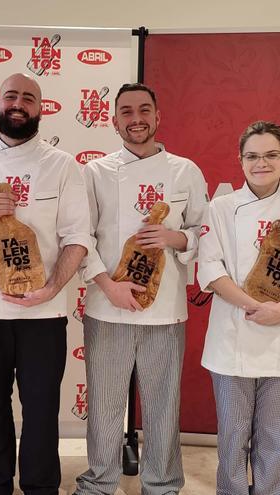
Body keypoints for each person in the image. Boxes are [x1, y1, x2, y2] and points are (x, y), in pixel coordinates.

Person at [0, 72, 92, 495]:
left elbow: (78, 238)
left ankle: (41, 487)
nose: (18, 104)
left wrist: (51, 289)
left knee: (41, 406)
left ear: (41, 109)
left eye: (29, 97)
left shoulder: (63, 166)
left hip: (43, 312)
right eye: (11, 96)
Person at [74, 83, 206, 495]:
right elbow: (81, 237)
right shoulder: (94, 172)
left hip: (165, 309)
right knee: (105, 404)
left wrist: (174, 238)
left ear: (157, 116)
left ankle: (162, 484)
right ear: (114, 121)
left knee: (163, 404)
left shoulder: (186, 171)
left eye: (144, 109)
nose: (136, 119)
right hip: (106, 305)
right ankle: (99, 482)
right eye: (126, 112)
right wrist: (108, 287)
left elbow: (204, 231)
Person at [198, 121, 280, 495]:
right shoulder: (221, 207)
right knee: (233, 435)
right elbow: (210, 268)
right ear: (240, 160)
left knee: (273, 436)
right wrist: (255, 306)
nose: (261, 163)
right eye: (252, 156)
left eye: (271, 155)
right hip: (231, 339)